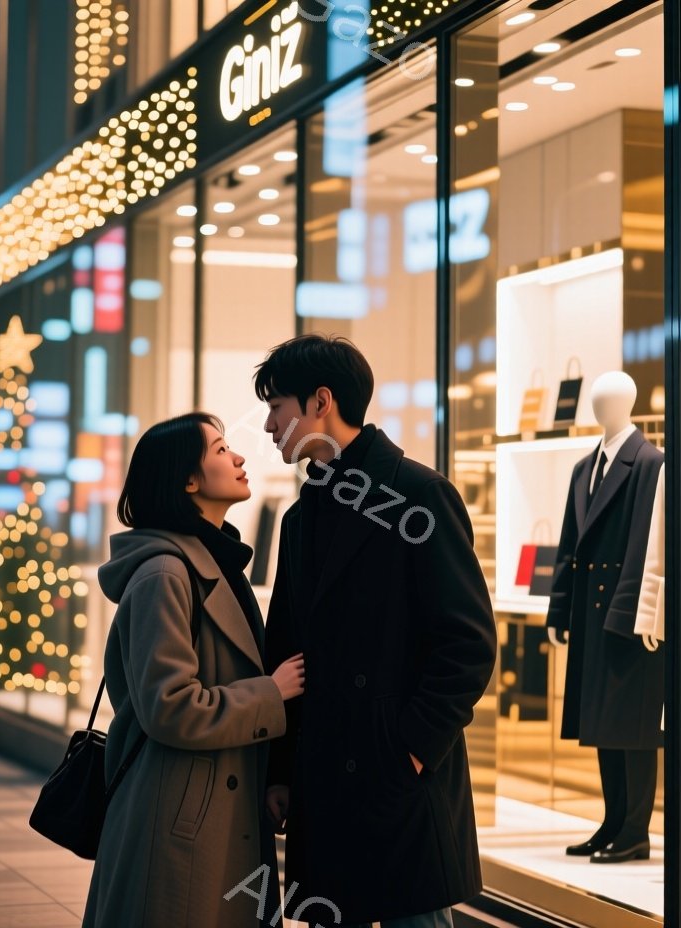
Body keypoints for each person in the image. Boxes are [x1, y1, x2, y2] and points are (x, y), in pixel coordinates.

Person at [257, 335, 496, 928]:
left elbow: (468, 642)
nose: (268, 425)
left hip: (396, 777)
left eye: (277, 407)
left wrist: (412, 748)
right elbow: (285, 651)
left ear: (320, 402)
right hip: (325, 779)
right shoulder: (301, 517)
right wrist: (282, 770)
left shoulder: (417, 494)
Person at [85, 412, 305, 928]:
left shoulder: (212, 564)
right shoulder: (166, 574)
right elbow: (171, 706)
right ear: (188, 480)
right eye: (222, 450)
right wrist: (270, 694)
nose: (240, 458)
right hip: (179, 819)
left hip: (210, 812)